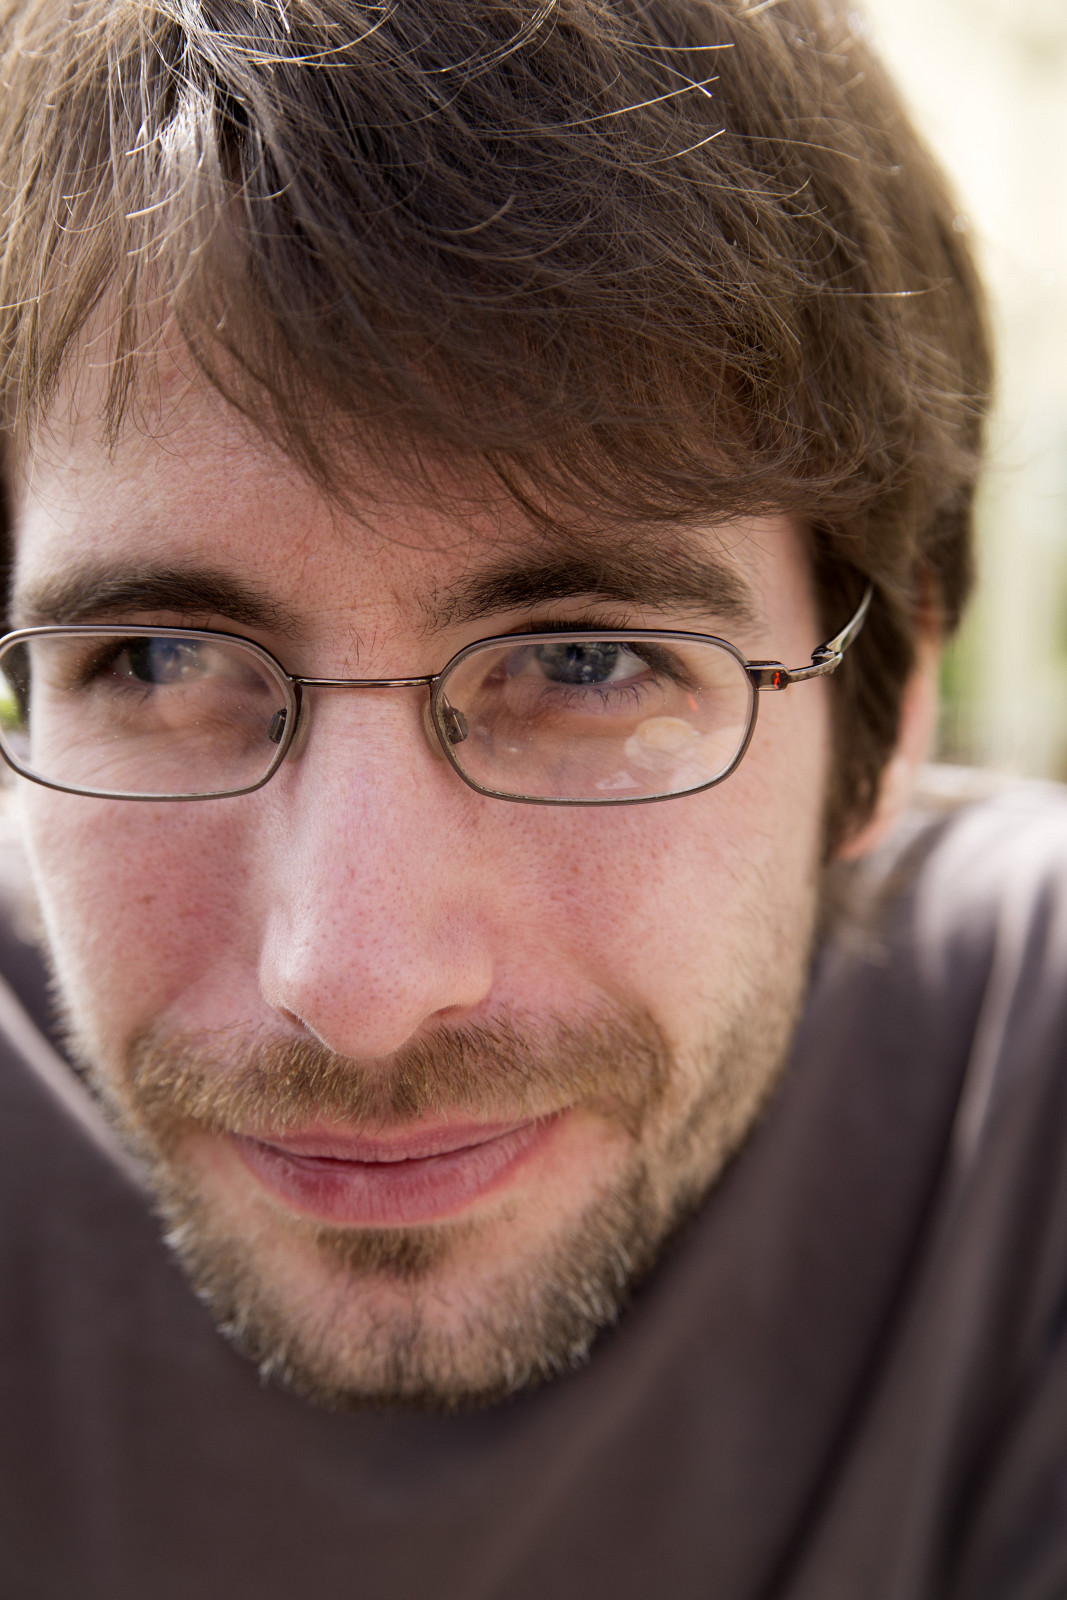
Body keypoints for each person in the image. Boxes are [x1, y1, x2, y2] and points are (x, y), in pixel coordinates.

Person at [1, 0, 1065, 1595]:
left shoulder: (1026, 1093)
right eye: (159, 662)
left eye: (584, 665)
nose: (356, 990)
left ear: (889, 707)